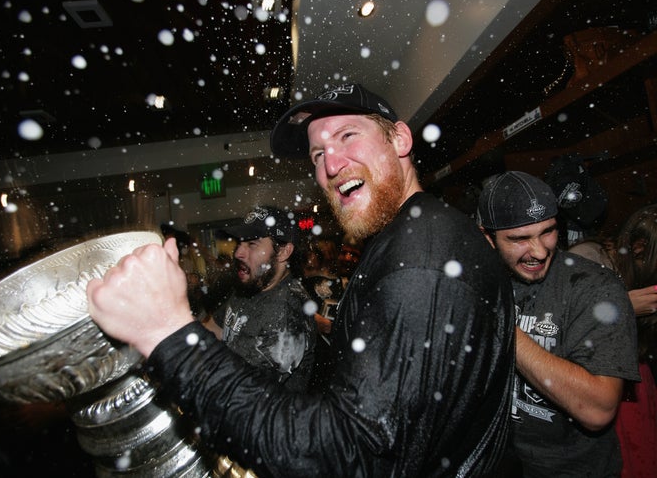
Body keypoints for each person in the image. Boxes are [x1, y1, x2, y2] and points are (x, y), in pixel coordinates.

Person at [87, 82, 515, 477]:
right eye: (316, 154)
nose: (331, 163)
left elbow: (344, 455)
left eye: (348, 135)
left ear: (400, 139)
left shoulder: (422, 254)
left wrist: (169, 335)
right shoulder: (407, 236)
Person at [477, 170, 641, 478]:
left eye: (548, 232)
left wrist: (503, 326)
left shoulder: (594, 287)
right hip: (501, 465)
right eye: (519, 239)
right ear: (488, 238)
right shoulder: (483, 280)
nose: (539, 251)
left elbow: (598, 410)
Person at [570, 204, 657, 478]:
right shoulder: (587, 259)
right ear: (640, 247)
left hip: (638, 377)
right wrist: (624, 308)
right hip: (602, 381)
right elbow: (565, 331)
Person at [204, 205, 317, 392]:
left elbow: (243, 389)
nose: (238, 252)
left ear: (283, 252)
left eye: (252, 244)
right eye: (240, 242)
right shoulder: (252, 285)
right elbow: (214, 327)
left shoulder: (289, 311)